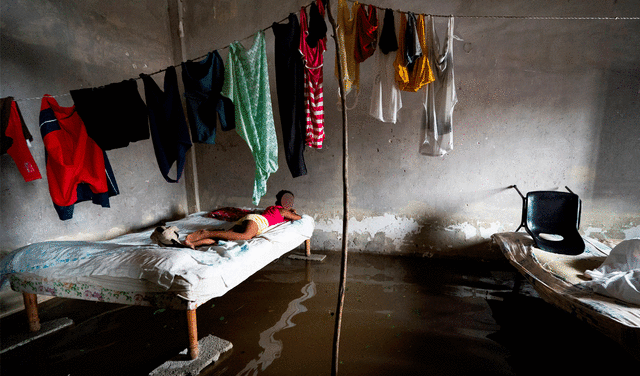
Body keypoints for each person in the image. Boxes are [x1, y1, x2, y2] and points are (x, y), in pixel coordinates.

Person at [184, 190, 302, 249]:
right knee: (246, 236)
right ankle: (206, 233)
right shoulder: (283, 211)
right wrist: (293, 211)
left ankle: (193, 243)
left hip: (251, 219)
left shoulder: (272, 208)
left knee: (225, 238)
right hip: (258, 221)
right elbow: (299, 218)